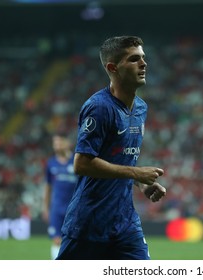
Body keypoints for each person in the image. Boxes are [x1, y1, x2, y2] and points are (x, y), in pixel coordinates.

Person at [56, 36, 166, 260]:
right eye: (134, 59)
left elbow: (117, 159)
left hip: (125, 223)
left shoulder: (141, 108)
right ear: (112, 67)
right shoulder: (99, 107)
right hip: (89, 224)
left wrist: (139, 183)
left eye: (143, 58)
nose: (143, 64)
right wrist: (136, 173)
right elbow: (82, 163)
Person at [42, 132, 77, 259]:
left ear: (67, 143)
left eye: (60, 142)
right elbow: (48, 187)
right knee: (57, 240)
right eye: (55, 143)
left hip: (74, 209)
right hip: (57, 208)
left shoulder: (76, 161)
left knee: (75, 241)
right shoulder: (51, 163)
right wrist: (45, 207)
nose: (57, 146)